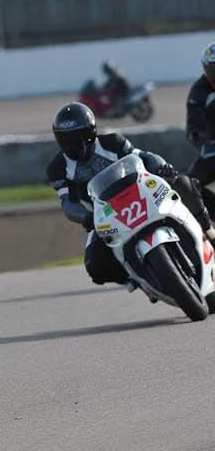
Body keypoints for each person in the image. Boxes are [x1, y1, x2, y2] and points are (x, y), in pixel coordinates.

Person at [46, 102, 215, 286]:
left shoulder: (112, 142)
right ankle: (137, 278)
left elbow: (144, 157)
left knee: (183, 183)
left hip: (139, 193)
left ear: (89, 133)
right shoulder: (57, 167)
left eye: (75, 138)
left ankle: (208, 229)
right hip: (103, 215)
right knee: (95, 265)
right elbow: (67, 203)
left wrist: (161, 168)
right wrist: (87, 216)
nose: (70, 146)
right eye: (65, 140)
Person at [185, 42, 215, 213]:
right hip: (211, 149)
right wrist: (205, 143)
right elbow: (193, 127)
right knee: (189, 187)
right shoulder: (199, 91)